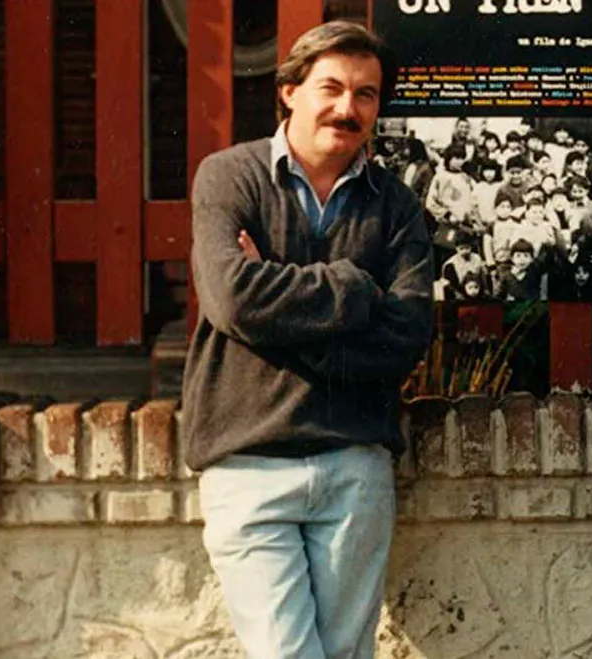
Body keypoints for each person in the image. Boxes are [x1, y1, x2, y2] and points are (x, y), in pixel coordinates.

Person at [184, 21, 434, 659]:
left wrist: (276, 320)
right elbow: (232, 299)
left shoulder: (397, 206)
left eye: (367, 95)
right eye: (331, 87)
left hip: (353, 466)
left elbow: (406, 335)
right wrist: (355, 289)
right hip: (248, 461)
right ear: (290, 91)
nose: (348, 108)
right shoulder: (230, 178)